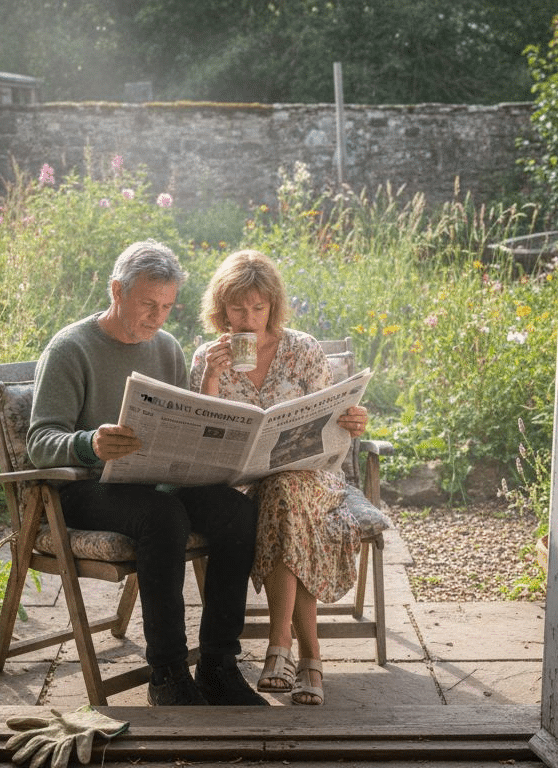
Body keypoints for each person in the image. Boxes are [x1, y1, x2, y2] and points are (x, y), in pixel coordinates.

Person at [26, 240, 267, 707]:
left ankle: (218, 663)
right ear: (117, 290)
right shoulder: (70, 348)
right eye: (148, 305)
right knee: (164, 517)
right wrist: (89, 442)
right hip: (86, 489)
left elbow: (182, 421)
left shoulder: (167, 348)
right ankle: (169, 674)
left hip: (156, 481)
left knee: (236, 513)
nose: (158, 317)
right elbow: (39, 443)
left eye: (168, 306)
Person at [189, 249, 370, 706]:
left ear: (272, 306)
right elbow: (201, 437)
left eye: (257, 307)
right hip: (243, 484)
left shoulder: (303, 349)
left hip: (313, 478)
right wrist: (212, 375)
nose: (247, 319)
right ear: (221, 309)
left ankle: (281, 647)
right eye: (236, 308)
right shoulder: (206, 357)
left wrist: (351, 420)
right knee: (279, 498)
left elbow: (330, 423)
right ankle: (310, 662)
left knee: (286, 491)